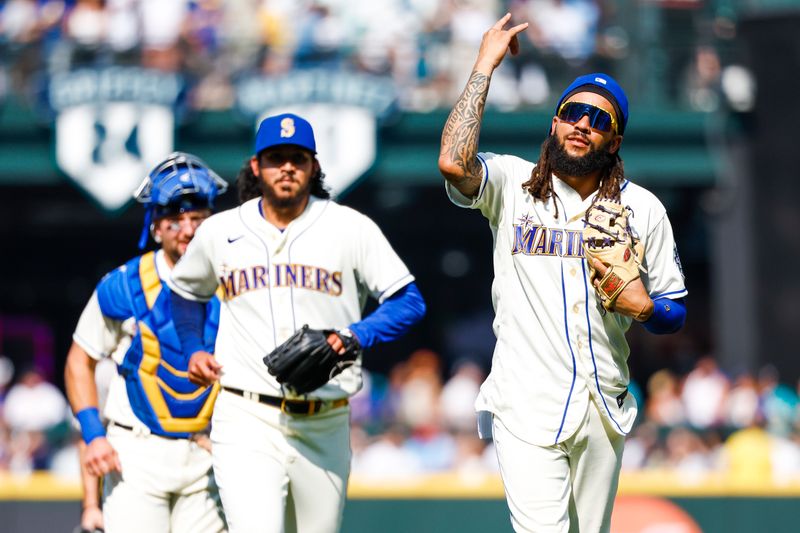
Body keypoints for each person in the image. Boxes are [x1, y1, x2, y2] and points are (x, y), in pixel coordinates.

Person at [438, 14, 687, 533]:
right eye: (573, 112)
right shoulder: (511, 184)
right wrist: (484, 64)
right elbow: (455, 164)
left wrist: (645, 308)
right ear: (554, 122)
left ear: (614, 141)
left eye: (599, 121)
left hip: (603, 403)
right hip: (524, 403)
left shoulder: (643, 209)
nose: (582, 125)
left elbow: (674, 310)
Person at [167, 112, 426, 533]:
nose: (286, 166)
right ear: (256, 166)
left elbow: (408, 301)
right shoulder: (221, 231)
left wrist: (353, 336)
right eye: (275, 157)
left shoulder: (350, 227)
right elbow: (184, 294)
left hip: (325, 418)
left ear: (314, 166)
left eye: (298, 158)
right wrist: (193, 347)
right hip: (246, 415)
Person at [64, 152, 229, 533]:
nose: (188, 230)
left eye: (198, 219)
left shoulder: (234, 280)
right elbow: (79, 361)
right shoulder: (123, 285)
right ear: (156, 227)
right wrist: (93, 435)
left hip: (208, 452)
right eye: (175, 220)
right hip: (136, 452)